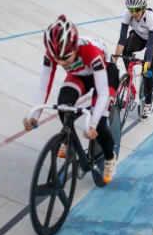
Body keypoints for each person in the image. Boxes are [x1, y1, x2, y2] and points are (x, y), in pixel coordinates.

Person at [22, 14, 120, 183]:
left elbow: (103, 92)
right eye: (58, 60)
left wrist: (94, 123)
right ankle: (70, 138)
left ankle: (110, 158)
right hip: (80, 75)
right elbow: (44, 86)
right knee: (63, 106)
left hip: (105, 73)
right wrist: (34, 116)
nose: (63, 63)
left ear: (74, 48)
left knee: (100, 121)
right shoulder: (52, 54)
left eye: (66, 58)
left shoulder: (92, 52)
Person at [113, 0, 153, 121]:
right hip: (140, 36)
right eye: (131, 9)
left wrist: (147, 61)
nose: (134, 13)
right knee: (125, 52)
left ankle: (147, 105)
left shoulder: (151, 17)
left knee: (147, 71)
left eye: (137, 9)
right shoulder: (127, 15)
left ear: (144, 7)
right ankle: (128, 78)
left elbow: (151, 45)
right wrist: (114, 59)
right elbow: (122, 40)